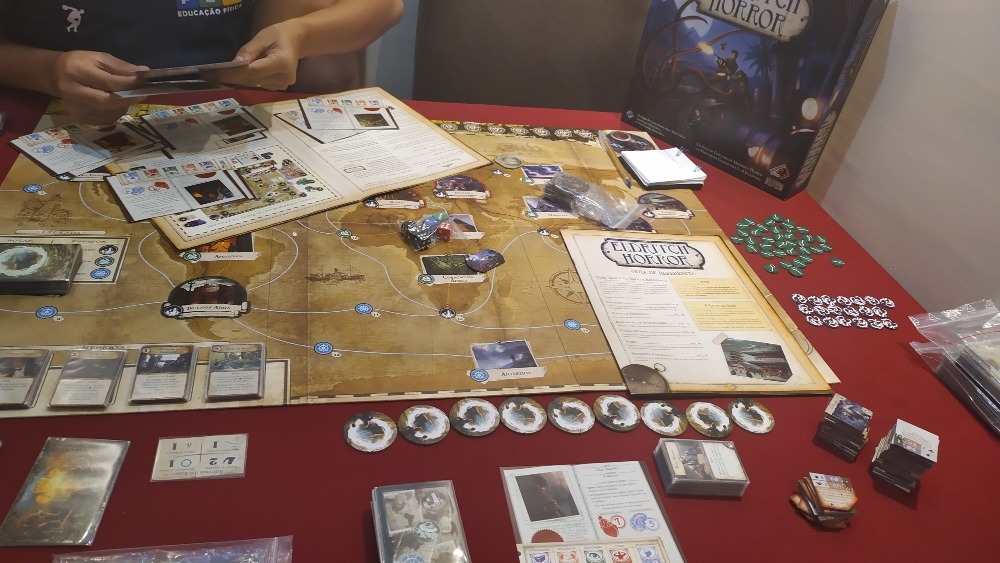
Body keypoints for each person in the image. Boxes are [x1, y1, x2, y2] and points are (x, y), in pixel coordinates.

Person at [0, 1, 403, 125]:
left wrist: (299, 35)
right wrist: (48, 71)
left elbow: (384, 6)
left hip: (224, 110)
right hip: (55, 111)